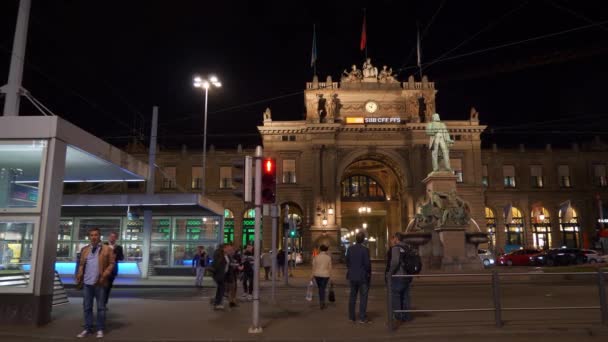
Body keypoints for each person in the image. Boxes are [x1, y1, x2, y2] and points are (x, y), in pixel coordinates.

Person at [75, 228, 115, 339]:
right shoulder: (85, 250)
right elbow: (81, 265)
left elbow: (112, 264)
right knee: (87, 307)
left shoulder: (107, 249)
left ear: (99, 236)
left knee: (101, 308)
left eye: (96, 235)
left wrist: (105, 275)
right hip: (87, 283)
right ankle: (87, 328)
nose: (93, 237)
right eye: (91, 235)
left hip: (100, 283)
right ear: (89, 237)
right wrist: (79, 275)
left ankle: (100, 329)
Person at [387, 232, 414, 322]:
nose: (392, 240)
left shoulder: (396, 248)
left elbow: (395, 262)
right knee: (406, 296)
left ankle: (398, 316)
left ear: (397, 239)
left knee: (396, 296)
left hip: (398, 275)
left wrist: (390, 273)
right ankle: (407, 316)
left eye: (394, 238)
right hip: (407, 275)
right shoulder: (408, 247)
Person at [346, 232, 372, 323]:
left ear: (355, 239)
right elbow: (367, 264)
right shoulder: (365, 250)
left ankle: (351, 317)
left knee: (352, 296)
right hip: (362, 277)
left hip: (352, 276)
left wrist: (351, 270)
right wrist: (368, 273)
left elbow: (347, 262)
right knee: (363, 297)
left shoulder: (350, 249)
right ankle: (362, 317)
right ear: (363, 239)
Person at [103, 231, 124, 307]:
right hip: (103, 268)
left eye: (114, 237)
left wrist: (116, 255)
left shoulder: (119, 247)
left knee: (108, 286)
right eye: (111, 236)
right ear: (109, 237)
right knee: (102, 286)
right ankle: (101, 302)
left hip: (113, 269)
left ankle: (104, 303)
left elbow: (121, 258)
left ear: (116, 238)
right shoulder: (104, 245)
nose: (112, 238)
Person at [311, 244, 332, 310]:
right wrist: (331, 277)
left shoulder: (316, 257)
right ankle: (322, 302)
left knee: (320, 288)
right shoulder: (328, 258)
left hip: (317, 275)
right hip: (325, 275)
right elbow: (330, 268)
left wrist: (311, 276)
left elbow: (313, 267)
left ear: (320, 249)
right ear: (326, 250)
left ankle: (321, 302)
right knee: (322, 288)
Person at [210, 244, 228, 310]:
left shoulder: (219, 253)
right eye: (226, 248)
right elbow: (218, 265)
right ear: (223, 248)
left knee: (220, 289)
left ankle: (217, 302)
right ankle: (218, 303)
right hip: (219, 274)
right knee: (221, 289)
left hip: (219, 274)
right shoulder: (220, 254)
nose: (227, 249)